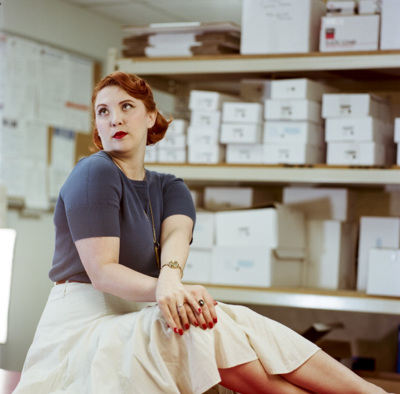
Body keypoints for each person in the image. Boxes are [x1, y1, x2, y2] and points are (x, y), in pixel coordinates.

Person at [14, 71, 389, 394]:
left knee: (220, 317)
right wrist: (168, 291)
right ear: (96, 126)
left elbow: (175, 246)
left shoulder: (169, 186)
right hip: (83, 332)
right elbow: (102, 272)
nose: (114, 119)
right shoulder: (93, 172)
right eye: (103, 111)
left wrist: (172, 284)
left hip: (137, 316)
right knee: (194, 323)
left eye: (126, 106)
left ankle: (364, 391)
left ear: (151, 117)